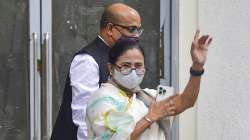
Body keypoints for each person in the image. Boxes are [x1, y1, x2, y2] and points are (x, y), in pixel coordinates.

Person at [86, 31, 212, 140]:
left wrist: (197, 66)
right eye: (126, 65)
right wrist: (150, 117)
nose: (133, 71)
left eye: (138, 65)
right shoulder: (101, 98)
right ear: (111, 68)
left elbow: (186, 101)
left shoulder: (151, 94)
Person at [50, 3, 143, 140]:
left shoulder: (120, 57)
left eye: (138, 30)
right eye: (131, 29)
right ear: (110, 29)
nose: (136, 36)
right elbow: (85, 120)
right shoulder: (87, 61)